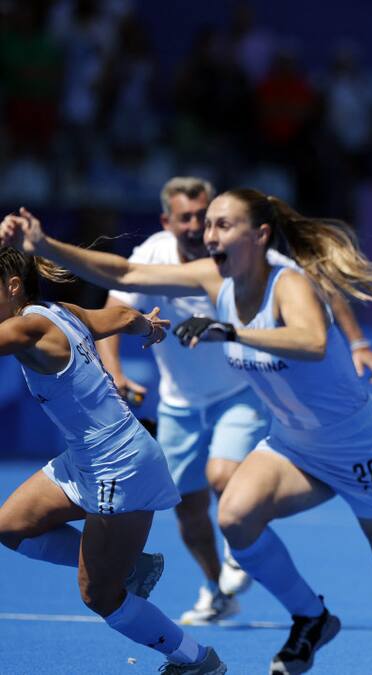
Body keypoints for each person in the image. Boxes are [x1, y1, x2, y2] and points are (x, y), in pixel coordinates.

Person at [2, 194, 372, 675]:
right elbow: (124, 272)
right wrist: (43, 243)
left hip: (362, 449)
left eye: (223, 224)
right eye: (208, 225)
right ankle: (312, 617)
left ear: (259, 235)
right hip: (294, 444)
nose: (209, 235)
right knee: (235, 514)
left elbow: (309, 341)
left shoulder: (289, 283)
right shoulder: (213, 279)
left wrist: (232, 331)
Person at [97, 176, 372, 624]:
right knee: (189, 511)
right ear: (166, 222)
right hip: (179, 402)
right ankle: (217, 590)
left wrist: (359, 342)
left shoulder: (245, 254)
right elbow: (113, 310)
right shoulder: (152, 254)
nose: (197, 226)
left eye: (204, 216)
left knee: (222, 475)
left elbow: (320, 290)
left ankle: (240, 540)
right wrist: (114, 372)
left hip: (240, 391)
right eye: (186, 218)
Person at [0, 239, 226, 674]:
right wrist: (147, 326)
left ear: (12, 287)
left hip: (120, 465)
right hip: (86, 458)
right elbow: (121, 316)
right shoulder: (62, 311)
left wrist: (142, 326)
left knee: (98, 594)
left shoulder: (30, 328)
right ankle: (131, 564)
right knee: (10, 526)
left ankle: (196, 660)